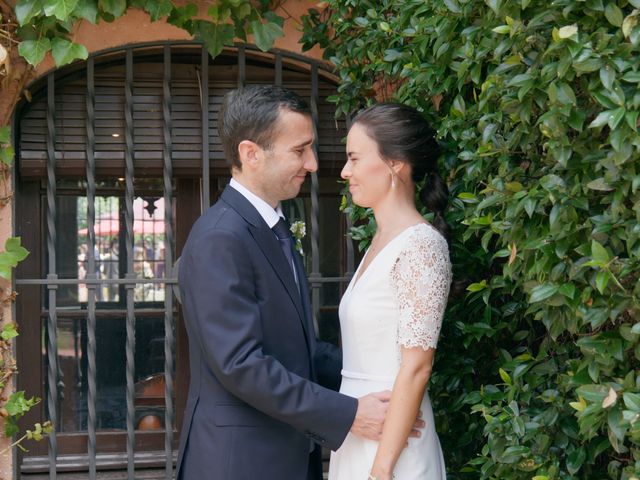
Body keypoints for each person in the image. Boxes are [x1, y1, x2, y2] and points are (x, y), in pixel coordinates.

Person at [176, 86, 416, 480]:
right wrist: (352, 413)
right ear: (251, 153)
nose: (314, 163)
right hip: (240, 463)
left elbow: (297, 350)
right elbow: (240, 365)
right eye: (299, 150)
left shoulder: (268, 228)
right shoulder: (220, 238)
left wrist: (389, 384)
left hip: (282, 456)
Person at [329, 103, 452, 480]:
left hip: (394, 450)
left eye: (354, 158)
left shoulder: (421, 246)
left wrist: (381, 469)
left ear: (395, 163)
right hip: (358, 431)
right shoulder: (379, 242)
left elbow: (417, 366)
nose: (345, 171)